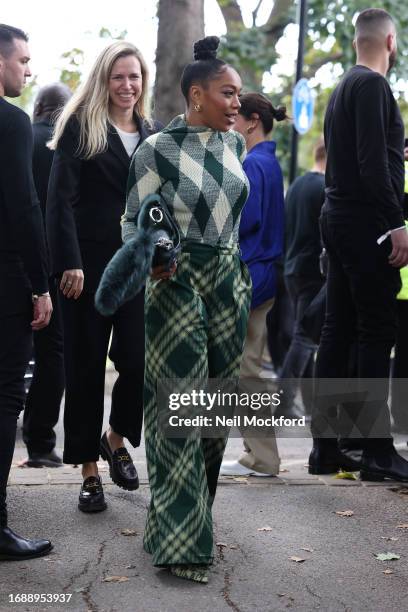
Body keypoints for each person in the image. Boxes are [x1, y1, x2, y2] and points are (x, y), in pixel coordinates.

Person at [122, 36, 251, 583]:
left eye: (239, 93)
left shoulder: (235, 147)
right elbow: (131, 222)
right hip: (176, 282)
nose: (237, 103)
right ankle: (182, 543)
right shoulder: (155, 150)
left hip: (229, 283)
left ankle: (188, 520)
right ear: (196, 95)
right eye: (228, 93)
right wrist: (155, 258)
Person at [47, 41, 160, 512]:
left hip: (136, 269)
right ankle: (89, 474)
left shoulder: (152, 133)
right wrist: (68, 261)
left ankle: (114, 437)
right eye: (118, 77)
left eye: (134, 77)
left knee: (137, 362)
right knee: (87, 368)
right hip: (87, 270)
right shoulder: (81, 127)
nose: (127, 86)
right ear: (103, 80)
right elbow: (60, 201)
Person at [309, 8, 408, 481]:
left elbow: (361, 158)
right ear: (391, 41)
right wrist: (397, 223)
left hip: (339, 216)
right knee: (375, 331)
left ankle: (325, 449)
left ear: (356, 42)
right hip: (365, 221)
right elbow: (372, 167)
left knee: (338, 330)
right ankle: (377, 451)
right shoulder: (372, 86)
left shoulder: (344, 88)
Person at [0, 24, 53, 560]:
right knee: (5, 397)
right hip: (7, 279)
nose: (28, 71)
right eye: (22, 61)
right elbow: (24, 205)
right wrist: (40, 284)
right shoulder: (11, 122)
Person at [219, 92, 286, 477]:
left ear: (252, 121)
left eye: (236, 116)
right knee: (247, 367)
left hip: (252, 274)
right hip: (262, 273)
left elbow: (247, 222)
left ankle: (263, 457)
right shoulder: (266, 163)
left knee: (247, 371)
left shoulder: (254, 165)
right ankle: (254, 453)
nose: (231, 120)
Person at [20, 84, 72, 468]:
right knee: (53, 355)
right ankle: (40, 442)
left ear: (38, 107)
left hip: (12, 261)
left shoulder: (21, 137)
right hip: (53, 264)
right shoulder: (62, 147)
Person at [278, 140, 327, 418]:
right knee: (305, 338)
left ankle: (308, 406)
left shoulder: (297, 185)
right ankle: (283, 405)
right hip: (312, 271)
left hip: (292, 268)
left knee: (306, 335)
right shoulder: (323, 188)